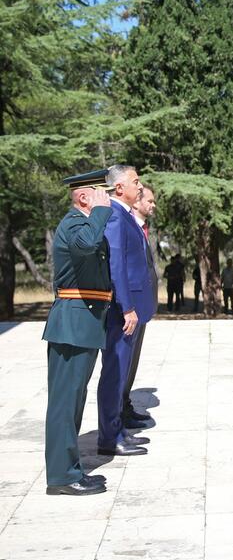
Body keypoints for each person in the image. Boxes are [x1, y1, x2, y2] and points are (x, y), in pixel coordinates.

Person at [42, 170, 114, 495]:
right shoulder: (75, 223)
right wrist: (101, 212)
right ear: (84, 197)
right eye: (101, 192)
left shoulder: (86, 224)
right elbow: (86, 247)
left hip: (84, 322)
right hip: (71, 323)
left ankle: (70, 469)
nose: (107, 197)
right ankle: (61, 477)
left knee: (74, 401)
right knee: (64, 402)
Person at [96, 164, 156, 457]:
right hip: (122, 312)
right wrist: (127, 307)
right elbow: (116, 266)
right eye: (135, 181)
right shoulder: (117, 217)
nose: (140, 186)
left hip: (129, 308)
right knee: (114, 374)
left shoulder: (125, 216)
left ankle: (117, 430)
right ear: (119, 188)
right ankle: (109, 438)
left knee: (120, 375)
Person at [121, 185, 158, 430]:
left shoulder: (144, 228)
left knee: (132, 363)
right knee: (122, 364)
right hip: (129, 307)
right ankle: (117, 416)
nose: (153, 205)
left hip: (142, 307)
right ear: (137, 203)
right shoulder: (127, 225)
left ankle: (125, 407)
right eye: (150, 201)